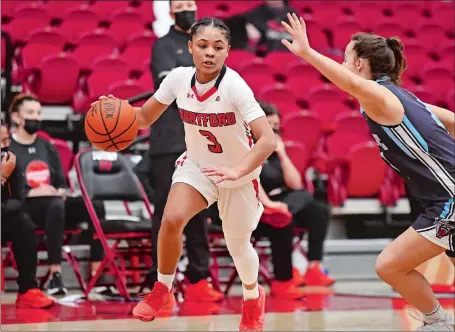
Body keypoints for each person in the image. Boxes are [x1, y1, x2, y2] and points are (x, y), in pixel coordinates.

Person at [97, 17, 277, 331]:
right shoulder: (178, 79)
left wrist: (238, 169)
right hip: (196, 166)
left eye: (218, 47)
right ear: (190, 47)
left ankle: (252, 297)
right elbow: (142, 118)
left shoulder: (235, 86)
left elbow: (268, 140)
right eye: (203, 45)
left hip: (238, 173)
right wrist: (116, 110)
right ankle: (162, 290)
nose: (210, 52)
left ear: (228, 51)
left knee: (238, 246)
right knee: (171, 219)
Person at [281, 13, 455, 331]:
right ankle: (438, 321)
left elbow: (349, 83)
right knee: (392, 266)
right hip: (442, 197)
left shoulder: (380, 97)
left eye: (346, 58)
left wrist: (307, 53)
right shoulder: (404, 97)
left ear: (360, 64)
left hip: (449, 200)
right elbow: (454, 121)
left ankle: (438, 322)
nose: (344, 64)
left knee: (390, 266)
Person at [144, 0, 223, 302]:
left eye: (189, 3)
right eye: (179, 4)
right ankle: (160, 282)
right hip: (168, 143)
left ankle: (199, 279)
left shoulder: (207, 45)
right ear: (172, 11)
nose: (186, 8)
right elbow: (176, 88)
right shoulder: (162, 46)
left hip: (200, 141)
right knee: (166, 214)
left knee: (199, 211)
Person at [8, 94, 106, 296]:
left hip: (53, 205)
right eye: (30, 113)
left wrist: (59, 191)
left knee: (95, 207)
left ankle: (97, 274)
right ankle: (55, 273)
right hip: (24, 206)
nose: (36, 117)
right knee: (54, 205)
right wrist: (31, 192)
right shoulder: (8, 147)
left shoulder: (48, 147)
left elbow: (61, 183)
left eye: (38, 113)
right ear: (17, 117)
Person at [258, 101, 335, 287]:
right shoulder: (247, 148)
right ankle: (284, 279)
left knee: (319, 210)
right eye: (269, 126)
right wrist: (269, 204)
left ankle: (314, 268)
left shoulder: (276, 151)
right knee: (286, 216)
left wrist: (283, 155)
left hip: (284, 201)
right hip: (259, 205)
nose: (274, 130)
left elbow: (295, 183)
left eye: (276, 126)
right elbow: (249, 183)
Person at [1, 122, 55, 308]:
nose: (3, 146)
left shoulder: (11, 160)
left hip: (4, 214)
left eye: (6, 140)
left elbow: (18, 198)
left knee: (23, 223)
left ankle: (28, 290)